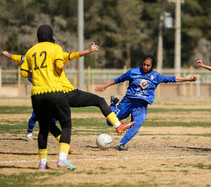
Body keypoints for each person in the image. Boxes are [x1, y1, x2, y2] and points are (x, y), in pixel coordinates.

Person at [2, 44, 135, 145]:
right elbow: (74, 55)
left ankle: (64, 145)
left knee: (48, 121)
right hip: (69, 94)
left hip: (51, 96)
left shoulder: (33, 56)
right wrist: (89, 50)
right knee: (99, 101)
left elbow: (19, 58)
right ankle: (118, 126)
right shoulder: (58, 54)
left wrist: (7, 55)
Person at [95, 55, 197, 150]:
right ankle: (113, 103)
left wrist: (188, 79)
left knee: (137, 123)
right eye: (144, 64)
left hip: (141, 106)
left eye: (148, 65)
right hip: (127, 102)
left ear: (152, 66)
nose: (145, 66)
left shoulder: (156, 76)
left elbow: (172, 79)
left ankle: (121, 144)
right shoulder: (133, 72)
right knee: (109, 122)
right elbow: (119, 79)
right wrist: (105, 86)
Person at [20, 24, 75, 170]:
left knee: (43, 129)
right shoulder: (55, 48)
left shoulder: (31, 51)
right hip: (55, 91)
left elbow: (24, 73)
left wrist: (37, 74)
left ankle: (42, 163)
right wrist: (56, 70)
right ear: (51, 35)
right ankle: (62, 159)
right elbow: (60, 66)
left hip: (37, 94)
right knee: (66, 124)